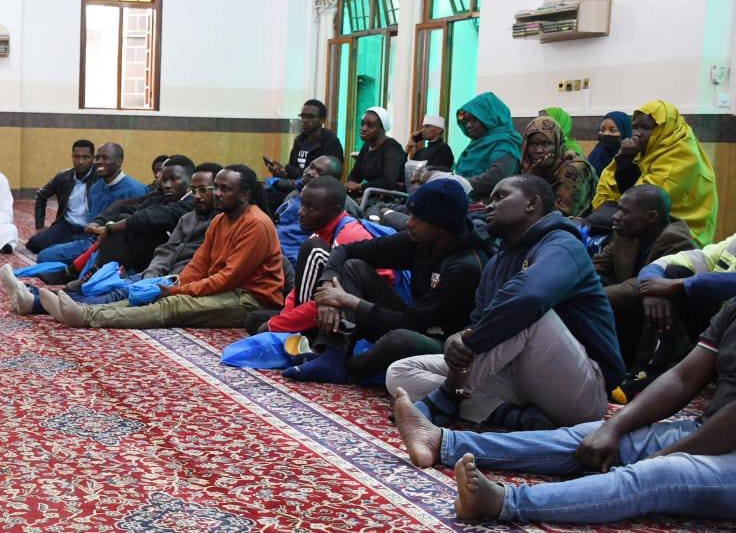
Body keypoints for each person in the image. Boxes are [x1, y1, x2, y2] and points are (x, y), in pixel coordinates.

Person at [391, 298, 736, 524]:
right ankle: (443, 442)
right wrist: (612, 429)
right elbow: (682, 377)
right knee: (587, 438)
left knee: (658, 475)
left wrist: (664, 456)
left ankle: (504, 502)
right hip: (708, 427)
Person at [386, 175, 624, 431]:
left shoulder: (563, 244)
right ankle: (513, 417)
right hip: (514, 377)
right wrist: (460, 338)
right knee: (400, 373)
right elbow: (478, 323)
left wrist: (467, 345)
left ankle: (446, 398)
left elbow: (530, 299)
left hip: (582, 388)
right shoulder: (496, 263)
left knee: (526, 313)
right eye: (489, 199)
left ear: (532, 204)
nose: (489, 206)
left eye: (500, 197)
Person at [283, 178, 493, 384]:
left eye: (418, 218)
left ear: (442, 226)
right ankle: (332, 354)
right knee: (354, 267)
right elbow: (346, 250)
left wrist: (349, 301)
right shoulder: (420, 240)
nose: (409, 223)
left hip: (445, 342)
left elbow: (411, 323)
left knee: (400, 339)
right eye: (410, 214)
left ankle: (349, 369)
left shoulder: (465, 266)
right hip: (414, 320)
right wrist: (328, 283)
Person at [39, 165, 283, 329]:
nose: (216, 194)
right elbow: (199, 264)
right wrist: (175, 284)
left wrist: (178, 292)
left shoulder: (255, 224)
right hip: (224, 289)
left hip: (249, 299)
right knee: (149, 293)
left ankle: (88, 317)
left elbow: (228, 278)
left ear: (245, 195)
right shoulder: (220, 219)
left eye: (225, 189)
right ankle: (84, 310)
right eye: (216, 187)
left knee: (173, 305)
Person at [2, 163, 224, 314]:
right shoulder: (191, 215)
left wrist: (170, 280)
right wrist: (153, 273)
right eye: (195, 190)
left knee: (118, 294)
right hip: (156, 271)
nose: (164, 183)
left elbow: (153, 220)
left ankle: (41, 300)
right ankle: (38, 295)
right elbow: (166, 247)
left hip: (178, 281)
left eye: (204, 190)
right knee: (117, 287)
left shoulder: (213, 218)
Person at [592, 185, 696, 400]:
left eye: (625, 211)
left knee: (656, 297)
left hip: (663, 324)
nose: (617, 216)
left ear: (651, 217)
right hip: (628, 311)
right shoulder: (624, 232)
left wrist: (593, 298)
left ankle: (643, 371)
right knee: (592, 282)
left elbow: (641, 286)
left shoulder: (677, 240)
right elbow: (597, 267)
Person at [258, 176, 389, 335]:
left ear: (334, 210)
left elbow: (335, 297)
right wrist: (284, 319)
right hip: (328, 301)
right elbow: (299, 290)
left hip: (367, 309)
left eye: (311, 208)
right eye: (302, 204)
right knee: (256, 320)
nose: (301, 212)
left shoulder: (348, 235)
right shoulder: (320, 231)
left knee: (268, 328)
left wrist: (278, 326)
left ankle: (304, 337)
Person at [618, 228, 736, 402]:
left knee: (677, 282)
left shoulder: (674, 234)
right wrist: (652, 288)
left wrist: (680, 284)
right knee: (674, 271)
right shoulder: (733, 243)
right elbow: (673, 261)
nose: (617, 216)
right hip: (719, 330)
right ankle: (644, 374)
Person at [593, 100, 718, 245]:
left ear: (664, 128)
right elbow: (612, 182)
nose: (637, 133)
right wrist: (625, 158)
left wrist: (626, 160)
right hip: (643, 221)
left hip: (682, 231)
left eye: (645, 127)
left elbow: (645, 202)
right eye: (635, 127)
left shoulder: (682, 154)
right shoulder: (647, 149)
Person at [35, 143, 147, 264]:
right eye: (97, 158)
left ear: (119, 162)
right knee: (45, 254)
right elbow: (93, 226)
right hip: (92, 242)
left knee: (48, 258)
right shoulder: (96, 188)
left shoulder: (136, 190)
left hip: (118, 248)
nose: (99, 161)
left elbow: (139, 229)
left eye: (105, 158)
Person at [83, 156, 197, 274]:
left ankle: (103, 273)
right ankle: (99, 273)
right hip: (140, 256)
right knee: (124, 220)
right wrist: (101, 222)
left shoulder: (191, 202)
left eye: (174, 179)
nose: (167, 185)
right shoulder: (165, 198)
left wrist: (110, 227)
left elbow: (150, 216)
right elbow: (127, 207)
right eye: (165, 180)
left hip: (171, 262)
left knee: (141, 226)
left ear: (191, 180)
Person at [26, 140, 96, 253]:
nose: (81, 161)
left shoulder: (100, 179)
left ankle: (63, 247)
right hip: (66, 225)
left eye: (85, 157)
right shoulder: (64, 177)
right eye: (77, 157)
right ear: (72, 157)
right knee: (34, 244)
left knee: (76, 250)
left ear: (93, 158)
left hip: (88, 230)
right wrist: (40, 226)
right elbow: (41, 196)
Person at [520, 115, 596, 217]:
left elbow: (561, 213)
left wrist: (535, 180)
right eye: (533, 144)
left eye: (546, 144)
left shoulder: (574, 168)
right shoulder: (529, 165)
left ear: (557, 144)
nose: (539, 150)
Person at [453, 92, 522, 201]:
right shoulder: (476, 144)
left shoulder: (505, 142)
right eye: (466, 121)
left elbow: (496, 178)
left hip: (490, 210)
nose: (468, 125)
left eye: (474, 120)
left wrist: (456, 183)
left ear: (491, 118)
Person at [265, 99, 344, 190]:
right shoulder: (300, 140)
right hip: (296, 187)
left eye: (310, 116)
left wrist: (291, 172)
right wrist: (282, 172)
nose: (305, 120)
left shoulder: (331, 142)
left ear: (322, 120)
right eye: (302, 116)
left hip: (316, 190)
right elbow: (292, 169)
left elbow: (329, 177)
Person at [346, 106, 407, 196]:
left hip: (390, 199)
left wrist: (360, 187)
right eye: (362, 124)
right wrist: (349, 187)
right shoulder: (367, 145)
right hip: (370, 194)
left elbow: (388, 182)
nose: (363, 128)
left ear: (382, 129)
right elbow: (355, 174)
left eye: (370, 126)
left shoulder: (393, 148)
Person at [586, 111, 632, 177]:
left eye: (613, 130)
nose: (606, 133)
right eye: (602, 130)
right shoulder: (596, 154)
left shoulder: (632, 159)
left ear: (624, 132)